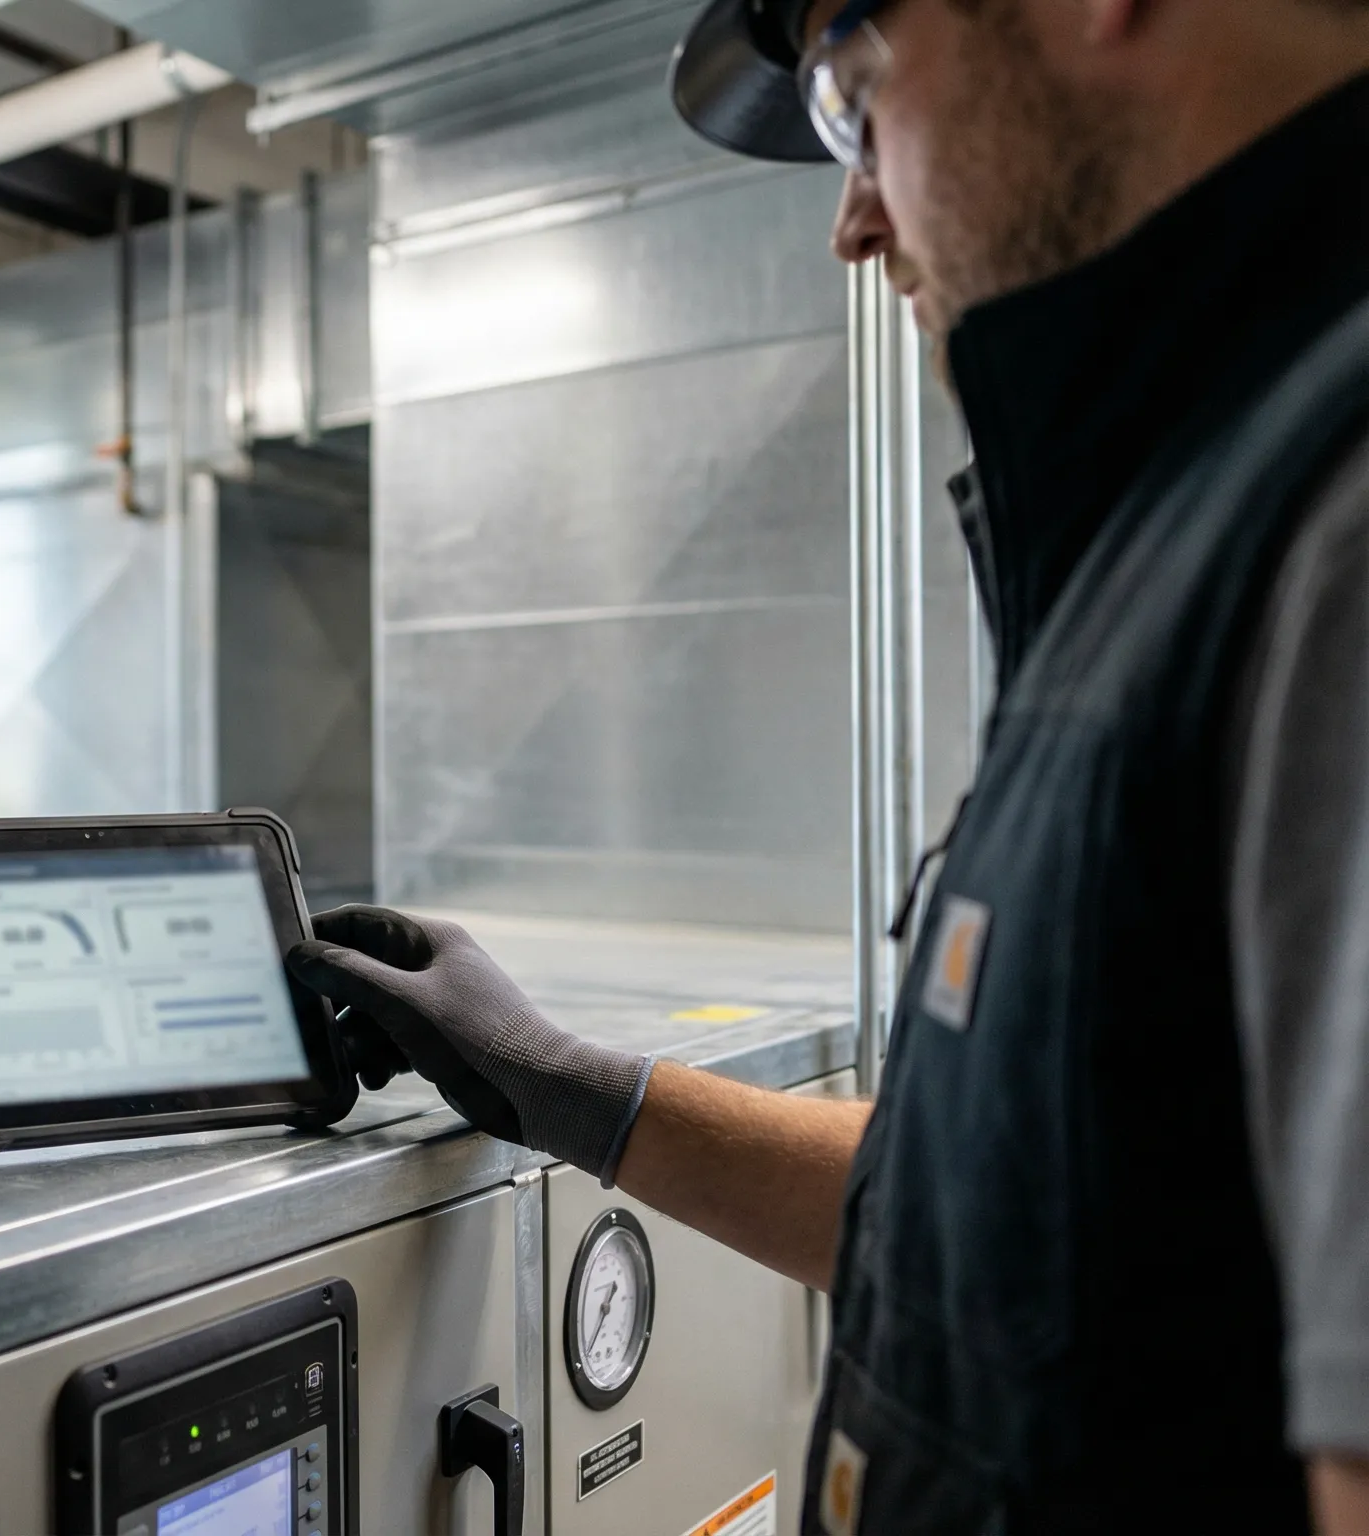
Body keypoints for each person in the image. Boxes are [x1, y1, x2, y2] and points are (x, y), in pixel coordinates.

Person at [283, 1, 1369, 1530]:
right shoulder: (1188, 519)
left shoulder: (1330, 526)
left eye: (856, 96)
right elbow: (1014, 1233)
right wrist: (573, 1090)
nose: (853, 223)